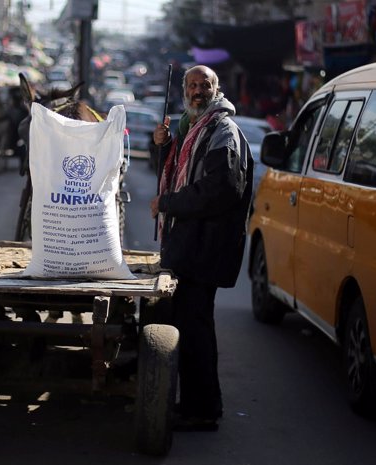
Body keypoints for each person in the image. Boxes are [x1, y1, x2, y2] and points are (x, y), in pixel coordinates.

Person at [150, 65, 254, 431]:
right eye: (192, 85)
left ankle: (202, 410)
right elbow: (174, 171)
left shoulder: (222, 132)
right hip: (187, 246)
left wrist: (168, 204)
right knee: (187, 327)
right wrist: (161, 147)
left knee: (194, 330)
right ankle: (194, 404)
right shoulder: (191, 129)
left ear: (216, 89)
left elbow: (220, 191)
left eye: (205, 85)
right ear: (184, 90)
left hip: (203, 249)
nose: (198, 91)